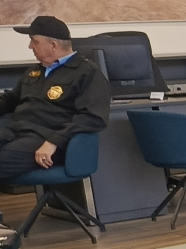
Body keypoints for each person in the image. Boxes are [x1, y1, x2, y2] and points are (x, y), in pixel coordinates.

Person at [0, 15, 111, 190]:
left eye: (34, 41)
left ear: (53, 45)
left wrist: (54, 141)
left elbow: (93, 117)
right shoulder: (34, 72)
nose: (30, 46)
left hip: (49, 139)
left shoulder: (87, 73)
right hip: (16, 130)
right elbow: (10, 100)